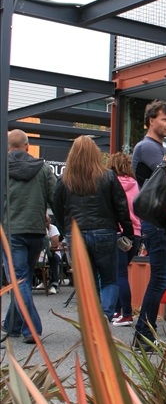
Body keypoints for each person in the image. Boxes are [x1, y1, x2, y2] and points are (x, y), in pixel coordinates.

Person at [53, 136, 133, 321]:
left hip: (76, 232)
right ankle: (105, 314)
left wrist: (66, 229)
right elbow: (121, 206)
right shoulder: (108, 176)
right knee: (110, 279)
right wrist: (128, 232)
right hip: (104, 231)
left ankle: (92, 319)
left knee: (87, 281)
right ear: (95, 153)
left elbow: (57, 207)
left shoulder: (64, 180)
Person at [2, 129, 57, 343]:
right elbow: (54, 198)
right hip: (36, 232)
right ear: (27, 146)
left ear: (7, 148)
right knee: (23, 277)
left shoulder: (2, 167)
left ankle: (31, 328)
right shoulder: (43, 168)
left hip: (10, 231)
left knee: (19, 279)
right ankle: (12, 325)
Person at [131, 100, 166, 349]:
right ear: (151, 120)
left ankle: (145, 332)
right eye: (164, 119)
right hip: (155, 221)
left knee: (163, 277)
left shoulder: (156, 147)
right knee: (160, 278)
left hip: (157, 221)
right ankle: (143, 334)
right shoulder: (148, 147)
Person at [107, 152, 142, 327]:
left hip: (118, 232)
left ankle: (126, 313)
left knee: (119, 274)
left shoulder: (111, 184)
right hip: (135, 233)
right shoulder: (136, 185)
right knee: (122, 272)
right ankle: (119, 310)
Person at [35, 213, 63, 293]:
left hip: (53, 252)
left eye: (46, 221)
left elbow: (55, 244)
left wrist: (47, 247)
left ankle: (54, 284)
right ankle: (44, 280)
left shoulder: (53, 229)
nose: (45, 223)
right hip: (40, 253)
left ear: (50, 221)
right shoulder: (38, 229)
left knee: (53, 258)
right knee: (32, 260)